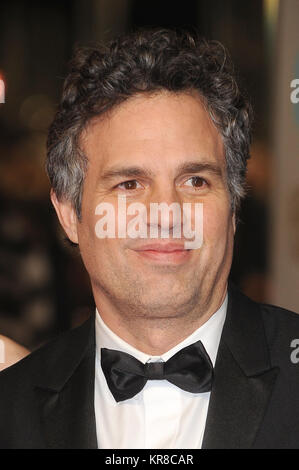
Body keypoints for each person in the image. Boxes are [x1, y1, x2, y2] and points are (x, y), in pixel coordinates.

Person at [0, 28, 298, 449]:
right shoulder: (11, 411)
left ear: (232, 207)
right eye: (129, 184)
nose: (166, 214)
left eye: (195, 180)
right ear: (69, 214)